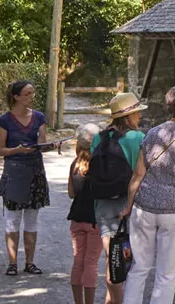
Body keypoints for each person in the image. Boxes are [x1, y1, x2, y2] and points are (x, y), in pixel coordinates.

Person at [119, 85, 175, 304]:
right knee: (166, 273)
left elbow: (138, 174)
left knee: (139, 267)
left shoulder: (151, 134)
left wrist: (129, 205)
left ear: (169, 107)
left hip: (144, 207)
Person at [90, 92, 147, 304]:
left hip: (103, 204)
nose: (140, 115)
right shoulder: (139, 138)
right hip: (129, 204)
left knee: (112, 260)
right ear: (129, 115)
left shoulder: (99, 137)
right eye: (138, 112)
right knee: (127, 264)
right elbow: (141, 174)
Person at [0, 80, 49, 276]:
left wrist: (51, 145)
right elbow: (0, 150)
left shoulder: (39, 117)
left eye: (32, 93)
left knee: (32, 219)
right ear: (16, 97)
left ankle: (30, 262)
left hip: (35, 171)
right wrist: (16, 150)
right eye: (27, 93)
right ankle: (12, 263)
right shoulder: (4, 120)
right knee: (12, 220)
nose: (31, 96)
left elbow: (41, 144)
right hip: (15, 171)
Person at [68, 122, 104, 304]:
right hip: (95, 218)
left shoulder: (74, 164)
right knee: (91, 263)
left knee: (78, 261)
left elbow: (71, 193)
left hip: (76, 217)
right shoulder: (99, 165)